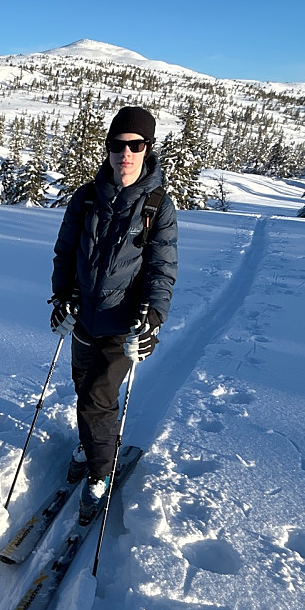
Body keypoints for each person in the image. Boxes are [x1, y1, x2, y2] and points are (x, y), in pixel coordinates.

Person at [49, 106, 178, 525]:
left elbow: (162, 267)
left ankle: (100, 474)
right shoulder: (85, 197)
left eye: (135, 145)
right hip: (85, 318)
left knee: (95, 400)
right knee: (82, 387)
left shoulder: (158, 205)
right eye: (118, 144)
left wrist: (153, 317)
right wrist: (61, 298)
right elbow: (66, 253)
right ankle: (89, 446)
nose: (126, 153)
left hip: (124, 328)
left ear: (147, 149)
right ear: (107, 149)